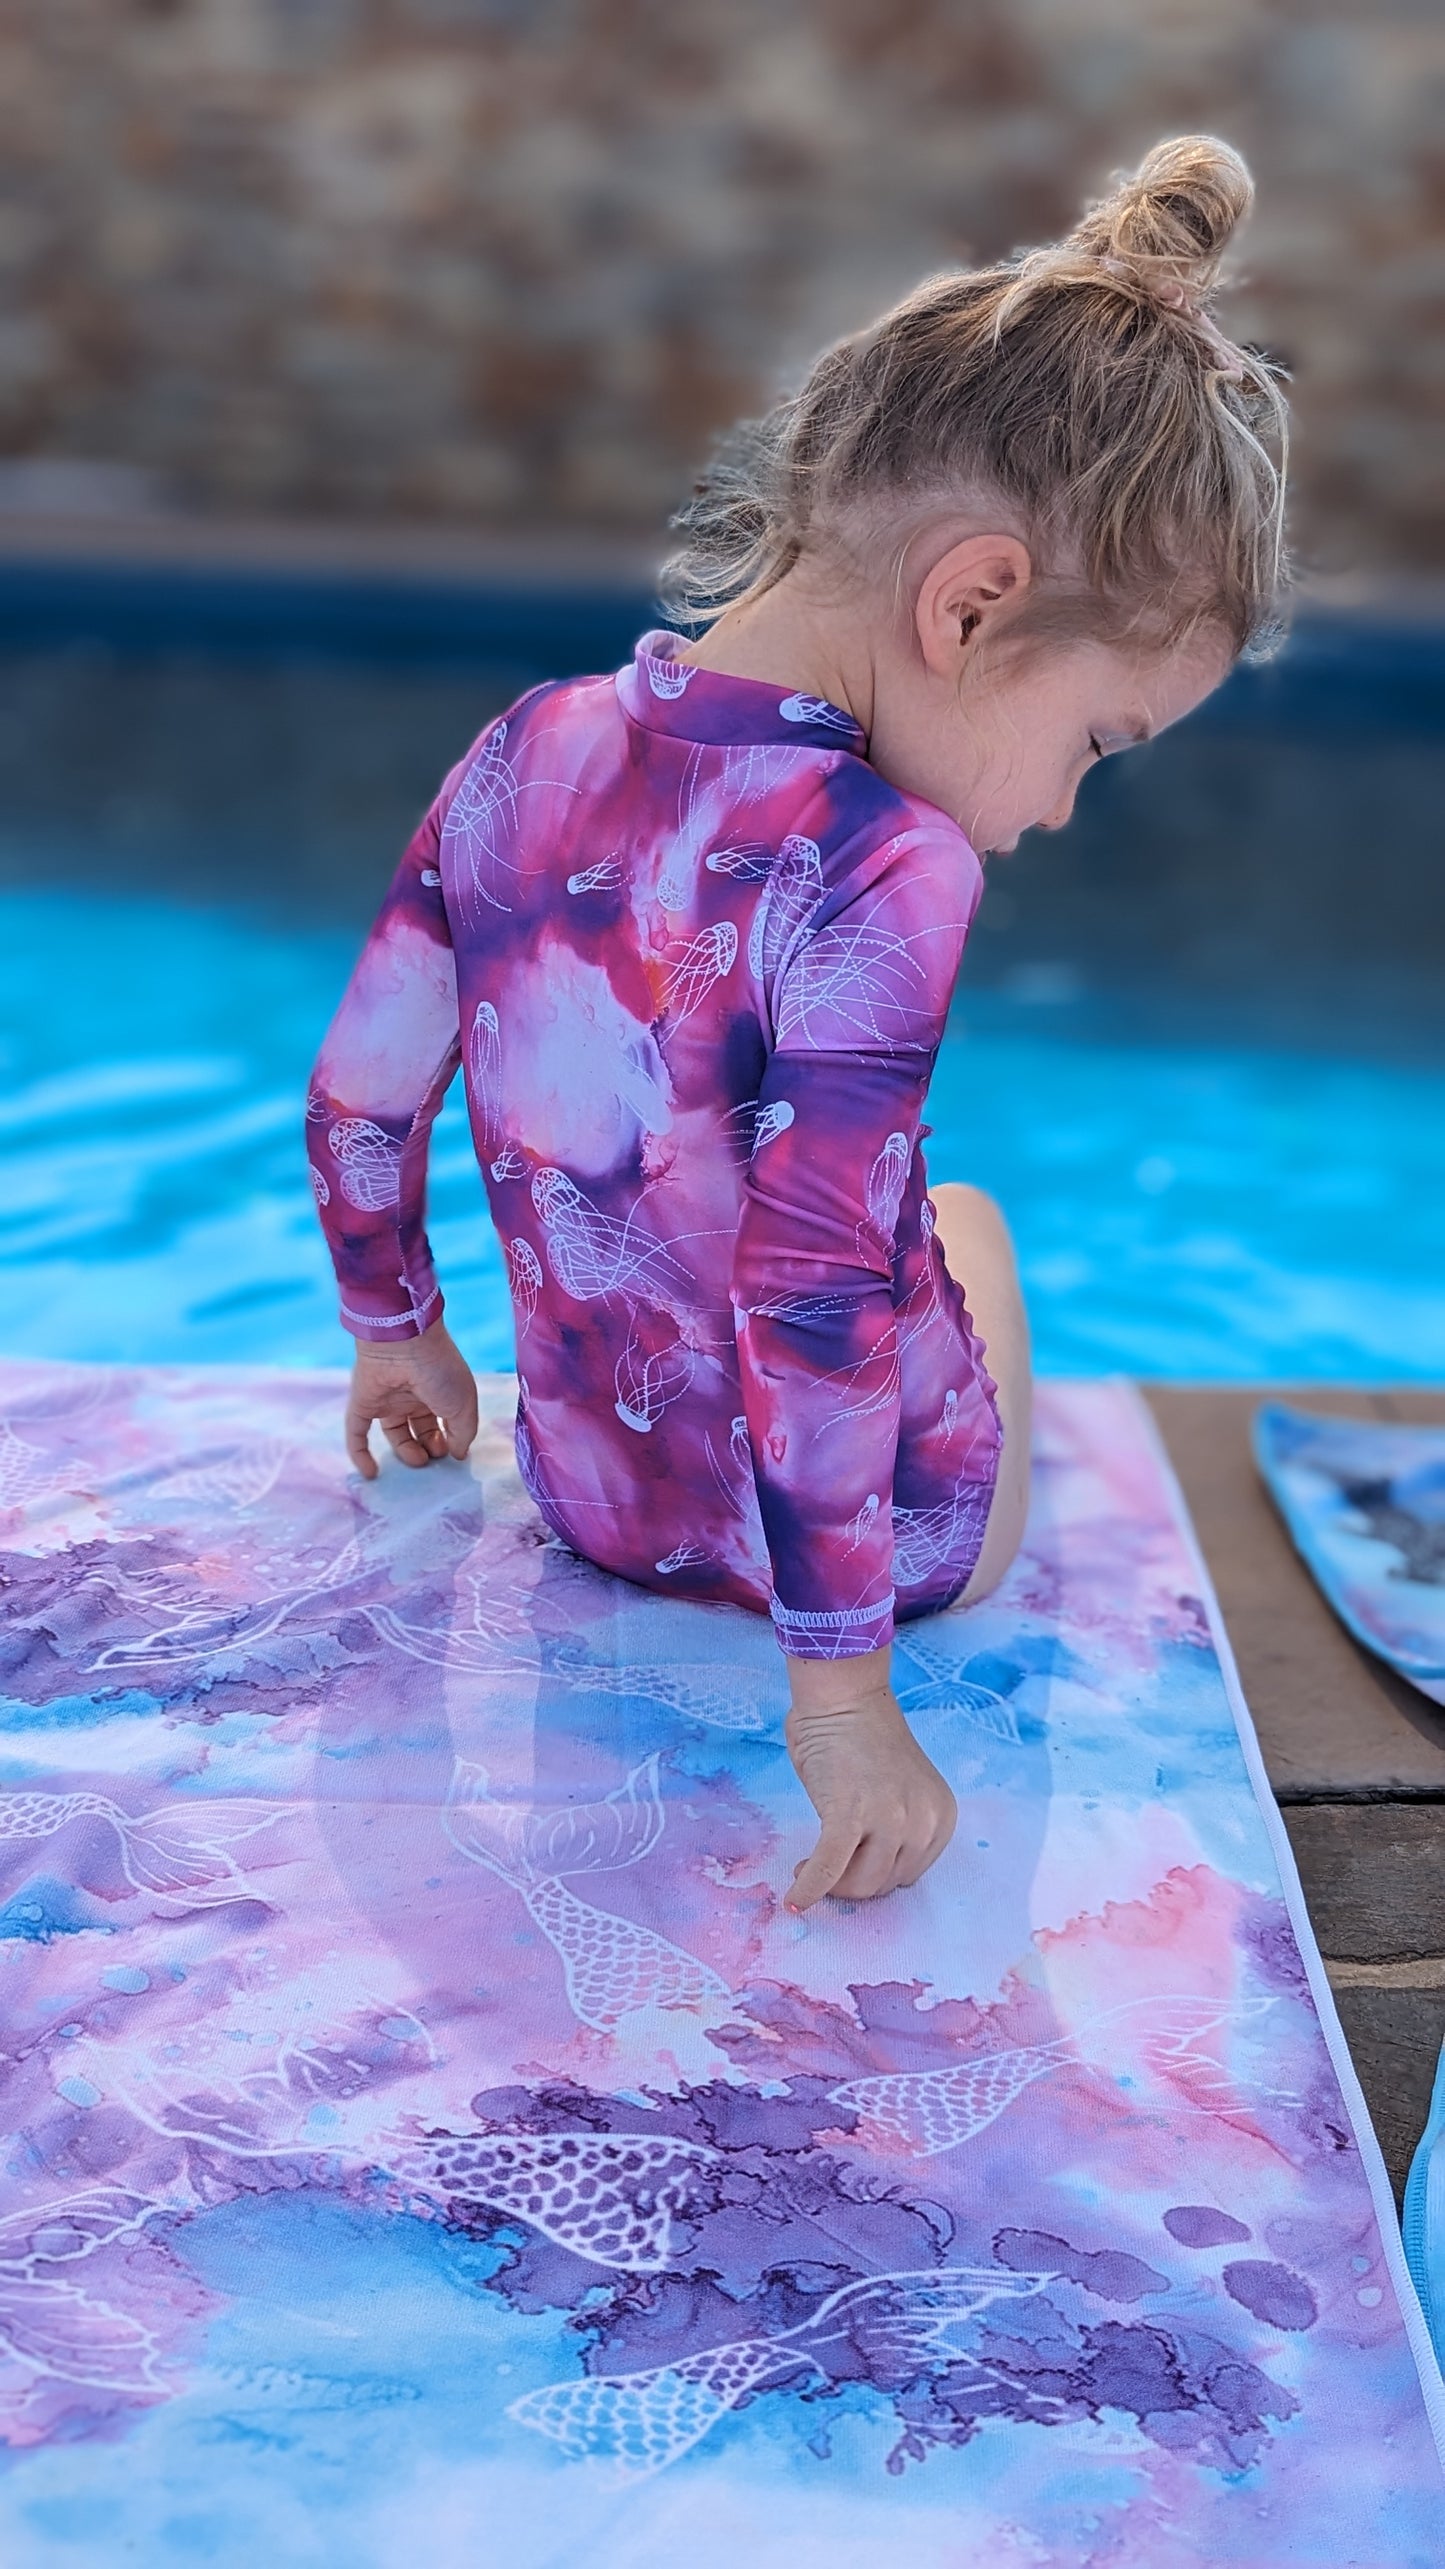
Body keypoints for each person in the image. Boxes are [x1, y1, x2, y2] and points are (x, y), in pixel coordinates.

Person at [307, 135, 1289, 1912]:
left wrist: (396, 1331)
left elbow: (363, 1085)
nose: (1062, 809)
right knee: (959, 1216)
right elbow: (812, 1288)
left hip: (593, 1498)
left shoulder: (525, 744)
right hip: (886, 1556)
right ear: (971, 604)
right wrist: (842, 1704)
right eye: (1095, 743)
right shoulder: (889, 864)